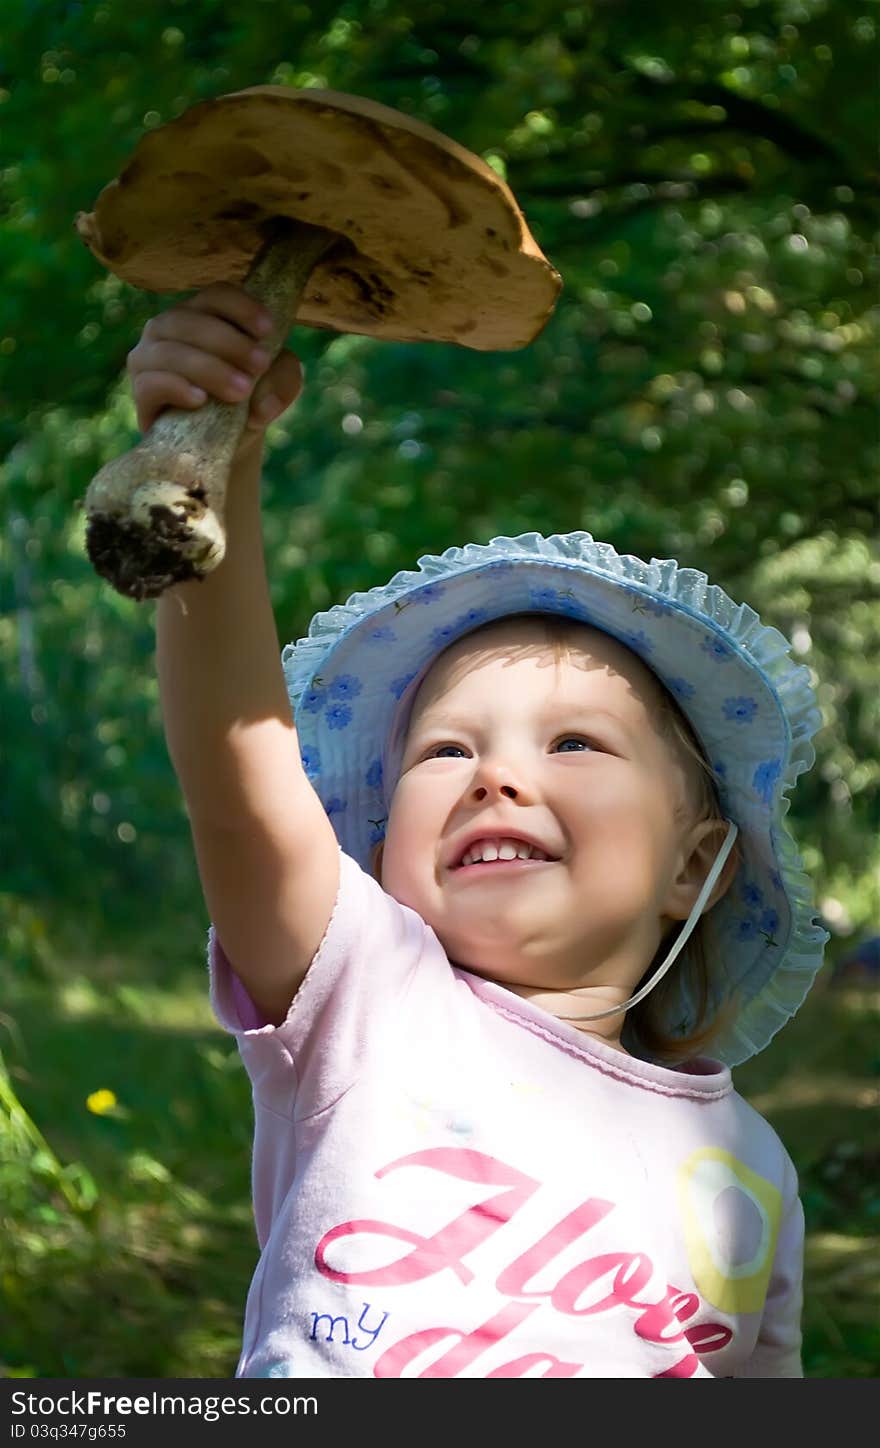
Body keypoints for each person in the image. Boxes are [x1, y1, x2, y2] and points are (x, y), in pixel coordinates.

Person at [132, 284, 828, 1379]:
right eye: (445, 751)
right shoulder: (369, 992)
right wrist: (217, 471)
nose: (496, 774)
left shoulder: (748, 1168)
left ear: (693, 862)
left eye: (576, 745)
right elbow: (237, 775)